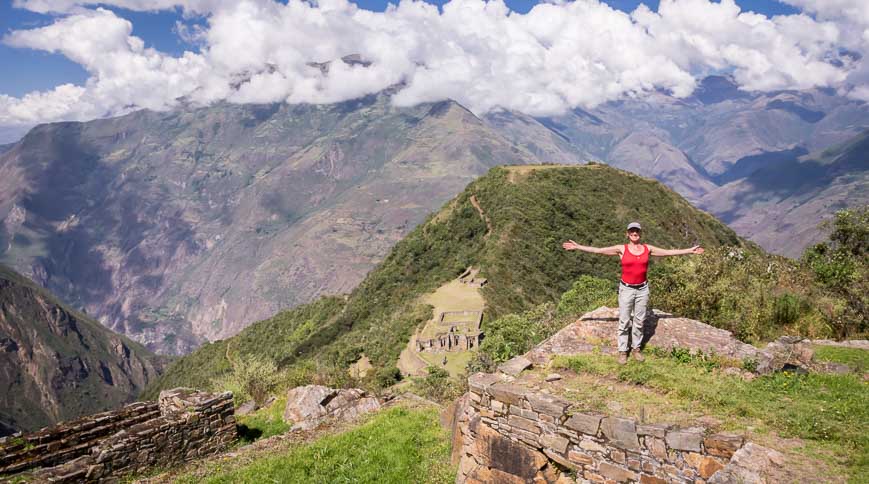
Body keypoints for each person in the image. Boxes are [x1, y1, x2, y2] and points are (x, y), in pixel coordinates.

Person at [562, 222, 704, 364]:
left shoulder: (648, 249)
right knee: (624, 321)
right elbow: (598, 250)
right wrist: (578, 247)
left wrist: (689, 251)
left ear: (640, 233)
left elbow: (668, 252)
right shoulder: (621, 249)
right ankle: (623, 351)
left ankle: (636, 349)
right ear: (627, 234)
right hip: (626, 289)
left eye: (636, 231)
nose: (634, 233)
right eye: (631, 231)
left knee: (639, 320)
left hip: (642, 289)